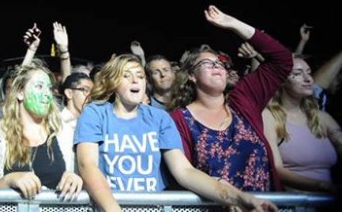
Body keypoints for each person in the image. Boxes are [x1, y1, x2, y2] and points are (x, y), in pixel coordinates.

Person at [75, 52, 278, 212]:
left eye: (140, 76)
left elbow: (185, 171)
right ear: (113, 83)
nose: (135, 81)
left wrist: (241, 197)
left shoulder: (159, 118)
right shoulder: (96, 113)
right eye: (126, 76)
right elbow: (88, 166)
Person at [169, 5, 293, 191]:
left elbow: (282, 60)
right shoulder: (179, 119)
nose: (217, 66)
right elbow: (185, 175)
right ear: (191, 76)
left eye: (220, 63)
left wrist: (233, 24)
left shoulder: (243, 100)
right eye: (207, 63)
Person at [0, 59, 83, 199]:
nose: (47, 94)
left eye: (49, 88)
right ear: (20, 93)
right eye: (39, 86)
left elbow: (85, 177)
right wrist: (9, 180)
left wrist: (76, 178)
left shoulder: (64, 133)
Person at [263, 56, 342, 192]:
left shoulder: (321, 117)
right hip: (295, 203)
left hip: (326, 201)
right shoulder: (269, 116)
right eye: (297, 74)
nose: (308, 79)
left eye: (309, 72)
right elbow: (276, 170)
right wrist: (324, 187)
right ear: (281, 80)